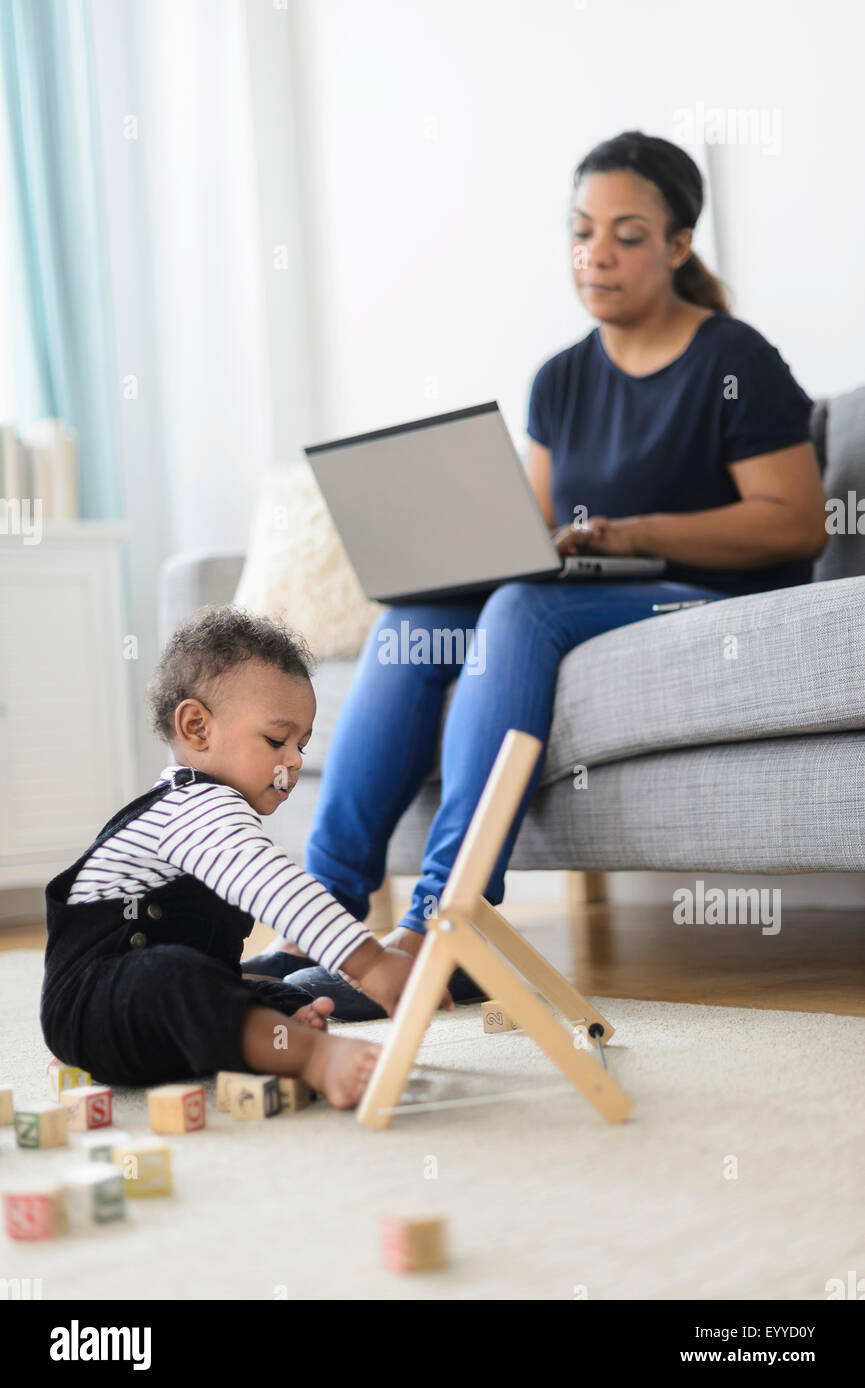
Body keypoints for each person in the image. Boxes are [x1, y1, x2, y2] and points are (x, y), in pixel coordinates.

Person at [241, 129, 827, 1019]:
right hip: (593, 594)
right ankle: (322, 917)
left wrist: (636, 536)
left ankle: (448, 927)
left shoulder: (732, 360)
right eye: (580, 229)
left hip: (712, 597)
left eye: (627, 235)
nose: (595, 253)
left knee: (518, 609)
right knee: (414, 616)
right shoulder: (559, 379)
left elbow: (798, 521)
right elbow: (536, 536)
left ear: (676, 247)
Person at [40, 608, 453, 1107]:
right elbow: (275, 885)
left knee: (278, 992)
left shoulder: (208, 807)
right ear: (197, 729)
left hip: (160, 1021)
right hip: (95, 1009)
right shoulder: (192, 805)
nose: (296, 760)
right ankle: (311, 1057)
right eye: (277, 741)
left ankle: (269, 1038)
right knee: (175, 977)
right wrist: (370, 963)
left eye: (301, 744)